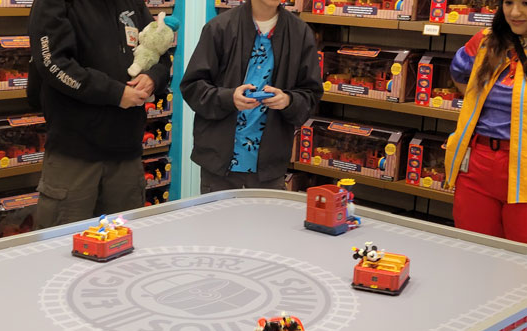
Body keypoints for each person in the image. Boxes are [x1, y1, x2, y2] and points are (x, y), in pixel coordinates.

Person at [28, 0, 171, 228]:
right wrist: (115, 93)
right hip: (74, 154)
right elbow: (53, 63)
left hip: (127, 153)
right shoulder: (54, 3)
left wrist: (154, 78)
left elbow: (158, 51)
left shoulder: (133, 3)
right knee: (62, 246)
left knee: (123, 248)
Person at [180, 0, 323, 193]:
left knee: (266, 223)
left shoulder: (300, 33)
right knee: (218, 224)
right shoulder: (219, 27)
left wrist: (288, 100)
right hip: (219, 166)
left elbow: (311, 94)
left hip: (269, 167)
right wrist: (229, 98)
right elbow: (193, 87)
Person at [445, 0, 527, 243]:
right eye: (508, 2)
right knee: (474, 250)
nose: (515, 12)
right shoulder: (485, 40)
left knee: (519, 260)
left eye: (525, 3)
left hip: (523, 166)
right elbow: (459, 74)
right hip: (477, 163)